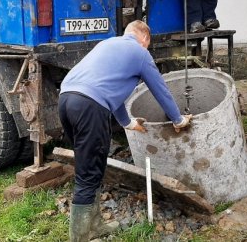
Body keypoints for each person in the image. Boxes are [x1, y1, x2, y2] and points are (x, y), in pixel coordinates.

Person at [58, 20, 192, 241]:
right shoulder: (140, 53)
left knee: (90, 166)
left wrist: (128, 123)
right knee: (88, 174)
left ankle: (94, 225)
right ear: (145, 38)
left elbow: (113, 92)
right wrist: (178, 120)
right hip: (90, 107)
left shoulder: (107, 44)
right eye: (148, 43)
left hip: (66, 100)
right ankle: (79, 237)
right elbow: (161, 90)